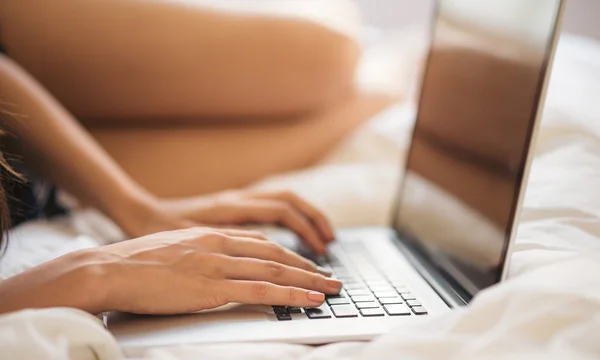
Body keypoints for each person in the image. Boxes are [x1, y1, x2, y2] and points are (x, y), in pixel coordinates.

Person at [0, 0, 407, 315]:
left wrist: (141, 211)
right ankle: (404, 73)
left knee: (327, 59)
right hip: (28, 193)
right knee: (368, 105)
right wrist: (94, 275)